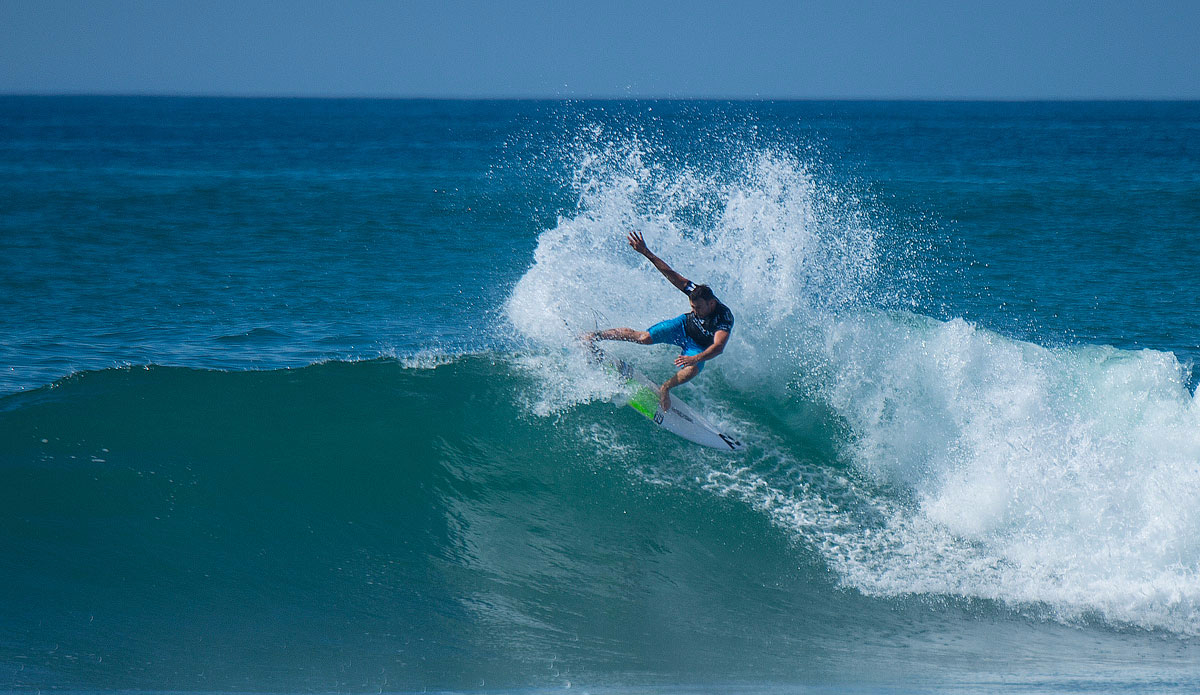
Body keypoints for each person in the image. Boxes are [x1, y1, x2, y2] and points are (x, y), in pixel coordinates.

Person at [583, 231, 734, 411]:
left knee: (693, 368)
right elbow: (669, 273)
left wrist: (695, 358)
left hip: (699, 346)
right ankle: (593, 336)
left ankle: (665, 388)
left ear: (711, 303)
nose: (696, 311)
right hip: (683, 327)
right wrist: (646, 252)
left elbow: (718, 347)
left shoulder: (724, 317)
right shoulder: (696, 292)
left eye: (699, 308)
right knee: (644, 337)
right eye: (692, 308)